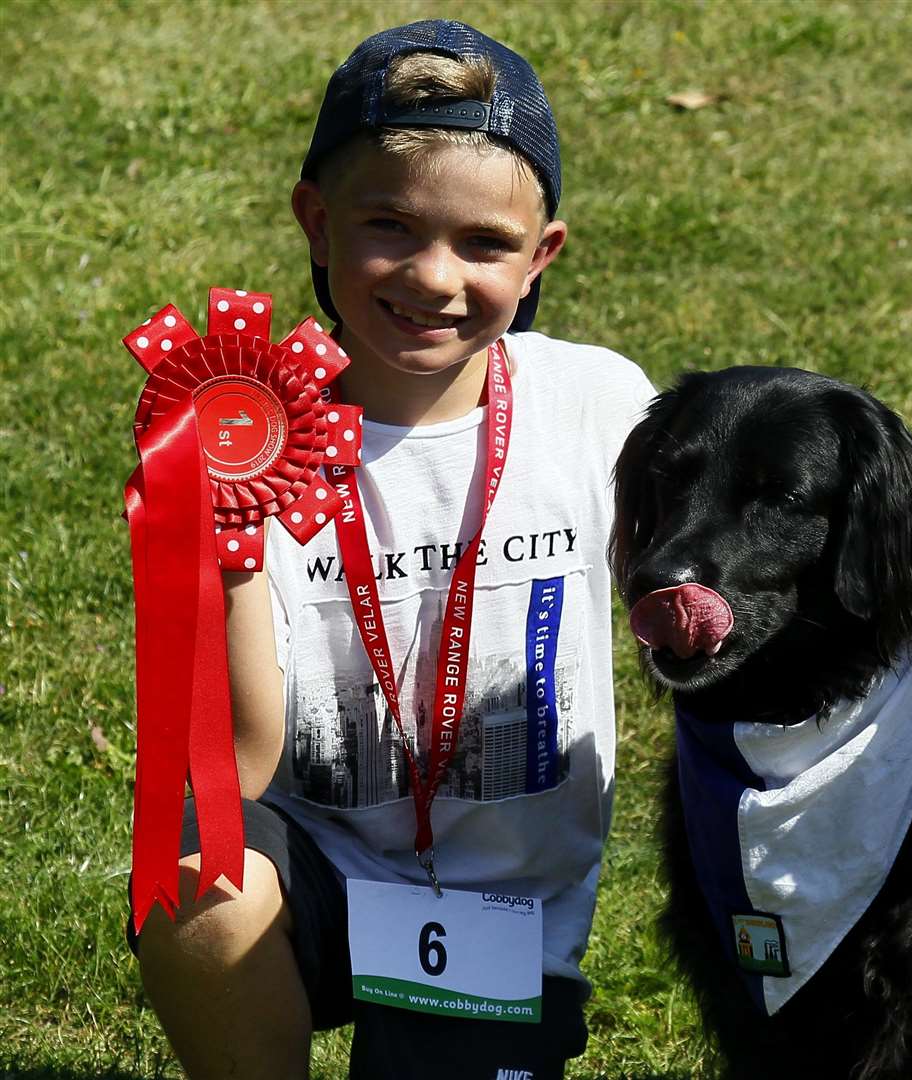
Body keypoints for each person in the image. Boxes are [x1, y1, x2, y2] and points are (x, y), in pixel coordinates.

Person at [131, 21, 655, 1079]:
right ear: (316, 223)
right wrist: (221, 547)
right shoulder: (241, 435)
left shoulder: (597, 403)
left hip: (512, 916)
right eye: (389, 225)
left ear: (542, 253)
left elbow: (727, 567)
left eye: (483, 244)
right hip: (319, 865)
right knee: (193, 880)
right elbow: (240, 764)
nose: (433, 276)